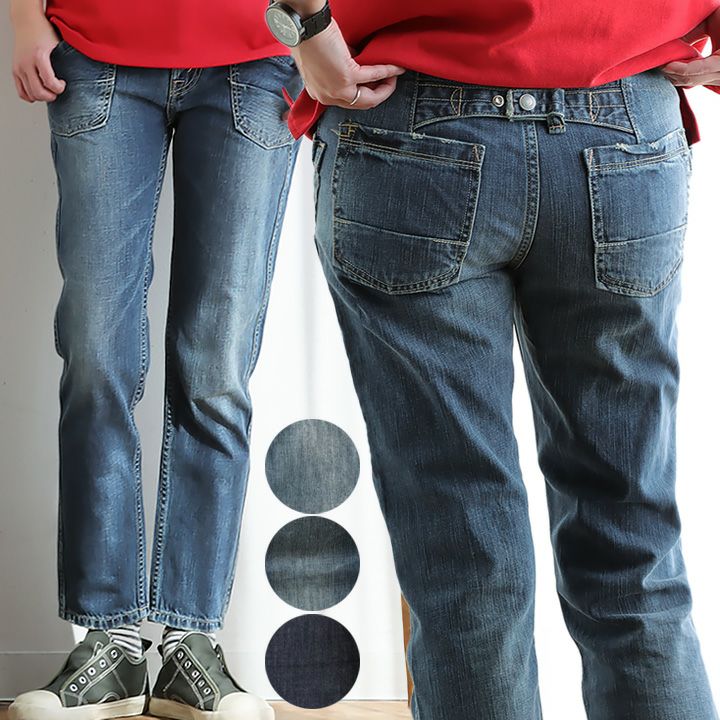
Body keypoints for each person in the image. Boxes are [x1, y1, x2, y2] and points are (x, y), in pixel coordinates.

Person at [268, 0, 720, 718]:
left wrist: (306, 25)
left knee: (463, 556)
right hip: (623, 129)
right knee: (634, 547)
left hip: (411, 124)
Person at [5, 0, 350, 717]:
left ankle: (191, 641)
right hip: (95, 50)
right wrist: (24, 18)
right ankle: (108, 640)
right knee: (95, 354)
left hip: (255, 59)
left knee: (215, 368)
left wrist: (319, 36)